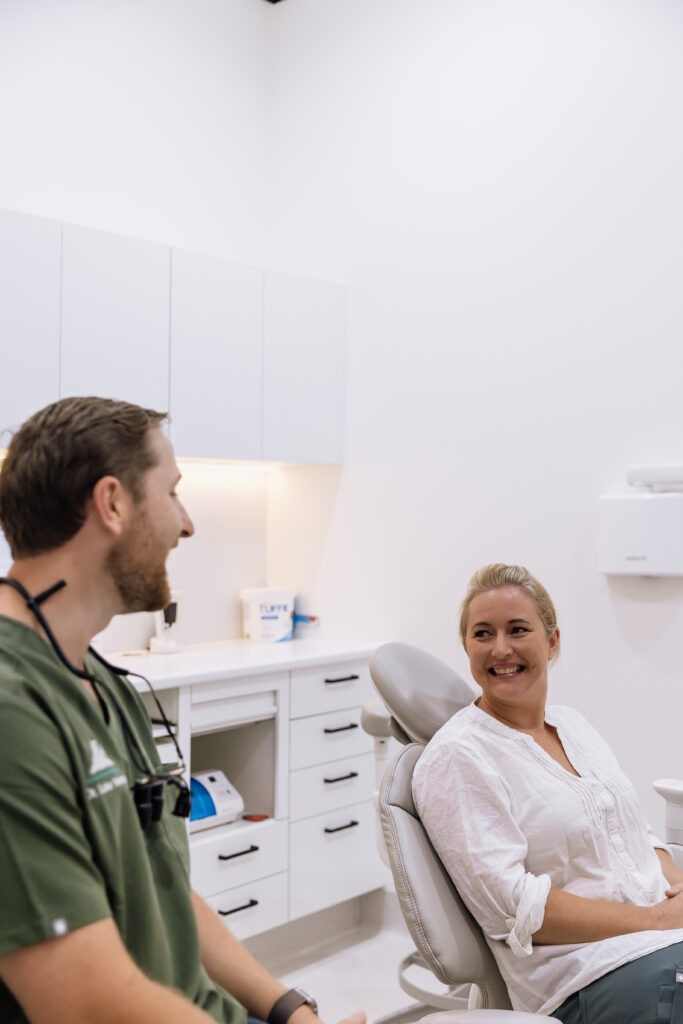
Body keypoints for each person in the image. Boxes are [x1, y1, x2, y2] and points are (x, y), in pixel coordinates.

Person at [0, 396, 367, 1024]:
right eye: (173, 493)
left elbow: (162, 885)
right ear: (112, 504)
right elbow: (84, 1003)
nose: (187, 524)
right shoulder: (13, 709)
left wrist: (288, 1010)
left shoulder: (104, 684)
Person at [413, 563, 683, 1024]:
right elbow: (517, 910)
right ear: (466, 647)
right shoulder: (459, 756)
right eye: (482, 634)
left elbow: (631, 827)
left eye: (517, 629)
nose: (501, 649)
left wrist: (675, 885)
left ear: (552, 640)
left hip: (661, 938)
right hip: (589, 974)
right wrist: (658, 921)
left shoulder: (573, 724)